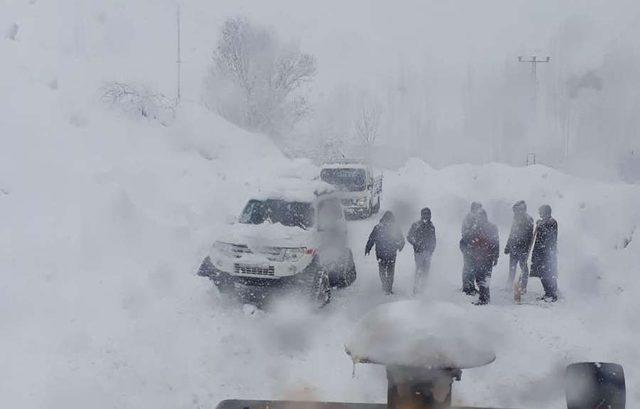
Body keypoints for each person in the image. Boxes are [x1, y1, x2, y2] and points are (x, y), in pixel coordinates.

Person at [463, 209, 499, 305]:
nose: (479, 219)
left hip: (487, 257)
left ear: (485, 216)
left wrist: (496, 256)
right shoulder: (475, 227)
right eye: (478, 217)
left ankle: (484, 299)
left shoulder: (491, 227)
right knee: (479, 278)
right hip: (476, 257)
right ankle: (484, 297)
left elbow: (496, 243)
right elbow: (468, 239)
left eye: (481, 217)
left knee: (485, 278)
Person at [366, 211, 405, 294]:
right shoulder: (389, 228)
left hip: (382, 253)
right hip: (389, 253)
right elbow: (401, 239)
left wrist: (368, 248)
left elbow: (371, 239)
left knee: (383, 270)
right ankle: (387, 287)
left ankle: (386, 286)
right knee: (389, 271)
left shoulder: (378, 227)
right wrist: (400, 246)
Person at [504, 201, 534, 292]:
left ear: (522, 210)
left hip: (522, 249)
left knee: (523, 268)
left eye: (516, 210)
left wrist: (525, 247)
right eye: (515, 210)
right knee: (512, 268)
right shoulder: (515, 218)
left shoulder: (528, 219)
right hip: (513, 248)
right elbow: (512, 233)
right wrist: (508, 246)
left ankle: (523, 286)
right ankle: (509, 285)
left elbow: (529, 236)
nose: (515, 212)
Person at [531, 205, 558, 302]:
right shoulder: (543, 222)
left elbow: (549, 236)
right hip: (540, 252)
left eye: (540, 212)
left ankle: (552, 294)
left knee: (548, 273)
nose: (539, 214)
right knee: (542, 273)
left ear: (545, 212)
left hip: (547, 253)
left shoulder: (552, 222)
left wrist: (540, 225)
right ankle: (548, 292)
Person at [407, 207, 437, 294]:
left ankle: (423, 288)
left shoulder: (431, 226)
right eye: (425, 214)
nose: (426, 216)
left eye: (428, 214)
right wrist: (416, 244)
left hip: (428, 252)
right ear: (421, 215)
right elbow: (409, 236)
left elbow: (433, 240)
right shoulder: (416, 225)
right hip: (418, 252)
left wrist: (431, 249)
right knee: (419, 269)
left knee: (426, 270)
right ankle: (416, 288)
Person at [460, 202, 482, 294]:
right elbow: (465, 233)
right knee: (468, 266)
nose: (479, 210)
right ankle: (467, 287)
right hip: (468, 245)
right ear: (474, 208)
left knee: (472, 267)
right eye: (478, 208)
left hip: (474, 246)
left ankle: (471, 286)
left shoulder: (477, 218)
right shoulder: (469, 218)